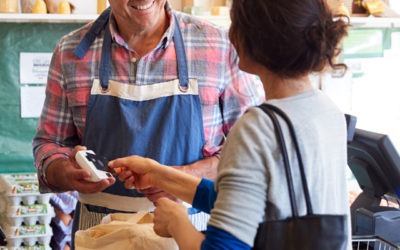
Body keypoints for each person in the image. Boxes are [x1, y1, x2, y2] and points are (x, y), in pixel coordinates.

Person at [108, 0, 351, 249]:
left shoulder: (257, 127)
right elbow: (244, 204)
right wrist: (158, 175)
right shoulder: (326, 110)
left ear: (254, 38)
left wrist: (176, 222)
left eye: (235, 23)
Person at [32, 0, 263, 242]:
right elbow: (49, 143)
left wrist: (179, 179)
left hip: (191, 233)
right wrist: (64, 172)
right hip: (101, 236)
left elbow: (253, 152)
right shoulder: (70, 52)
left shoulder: (219, 45)